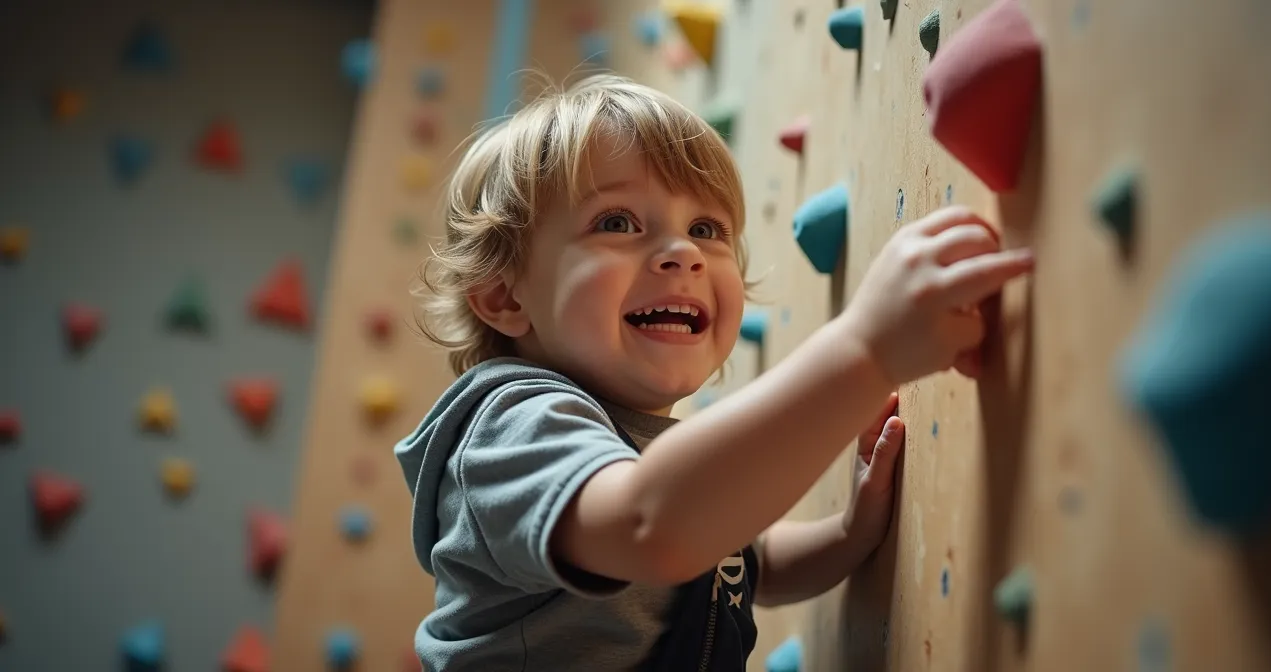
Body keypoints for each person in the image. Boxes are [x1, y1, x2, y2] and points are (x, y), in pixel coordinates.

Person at [395, 73, 1033, 671]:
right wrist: (866, 348)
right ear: (506, 297)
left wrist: (846, 536)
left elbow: (748, 560)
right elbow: (654, 529)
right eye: (616, 223)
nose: (682, 253)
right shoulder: (511, 425)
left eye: (707, 228)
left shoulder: (657, 455)